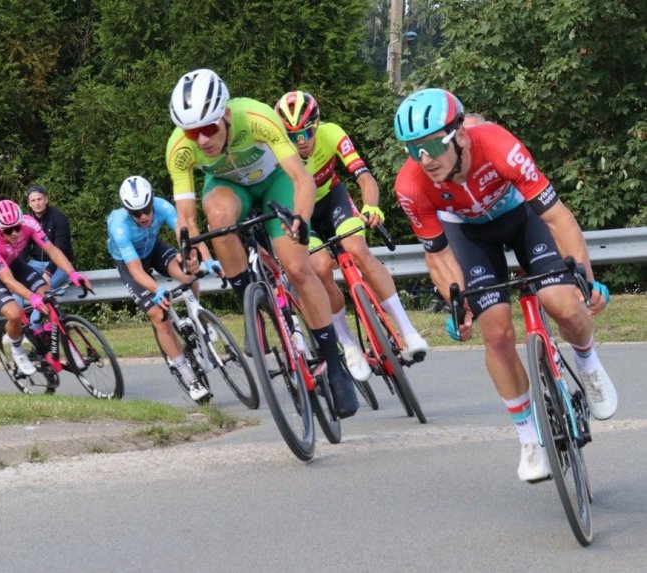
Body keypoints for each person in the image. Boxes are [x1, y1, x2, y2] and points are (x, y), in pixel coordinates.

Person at [392, 87, 617, 482]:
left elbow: (557, 218)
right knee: (494, 330)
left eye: (430, 145)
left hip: (521, 219)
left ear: (459, 135)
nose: (423, 159)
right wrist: (457, 304)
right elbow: (440, 256)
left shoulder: (499, 146)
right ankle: (529, 438)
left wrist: (584, 277)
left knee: (562, 303)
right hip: (469, 238)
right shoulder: (411, 186)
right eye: (413, 149)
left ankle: (588, 362)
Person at [166, 69, 358, 417]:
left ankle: (335, 365)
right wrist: (190, 250)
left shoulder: (255, 117)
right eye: (193, 132)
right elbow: (186, 215)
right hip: (230, 190)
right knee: (218, 217)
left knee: (299, 267)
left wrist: (299, 219)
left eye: (209, 128)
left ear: (225, 114)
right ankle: (250, 306)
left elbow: (302, 178)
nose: (203, 140)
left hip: (276, 183)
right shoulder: (180, 148)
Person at [274, 91, 429, 380]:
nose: (302, 141)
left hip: (334, 200)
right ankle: (348, 345)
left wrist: (371, 206)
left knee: (356, 248)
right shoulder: (278, 154)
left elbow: (364, 176)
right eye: (293, 136)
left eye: (307, 132)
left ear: (317, 126)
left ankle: (408, 331)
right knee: (320, 268)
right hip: (303, 213)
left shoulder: (332, 133)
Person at [106, 176, 209, 403]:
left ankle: (195, 318)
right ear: (127, 210)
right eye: (136, 213)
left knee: (188, 276)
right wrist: (157, 289)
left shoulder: (162, 206)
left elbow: (185, 237)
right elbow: (136, 271)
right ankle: (188, 376)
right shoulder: (119, 227)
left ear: (152, 201)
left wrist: (194, 257)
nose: (143, 216)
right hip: (130, 262)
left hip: (153, 249)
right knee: (159, 315)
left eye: (146, 209)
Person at [0, 199, 90, 376]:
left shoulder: (29, 223)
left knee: (48, 298)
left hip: (13, 262)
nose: (15, 233)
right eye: (8, 230)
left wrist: (73, 274)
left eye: (17, 227)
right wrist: (31, 297)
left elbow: (53, 251)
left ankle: (66, 344)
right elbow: (8, 281)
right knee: (14, 314)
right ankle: (17, 350)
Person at [24, 184, 75, 290]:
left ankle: (46, 303)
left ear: (46, 199)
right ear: (29, 203)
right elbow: (24, 249)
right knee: (19, 285)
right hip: (36, 264)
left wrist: (48, 272)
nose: (37, 203)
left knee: (44, 289)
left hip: (60, 264)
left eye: (39, 199)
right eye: (33, 201)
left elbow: (60, 250)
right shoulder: (28, 222)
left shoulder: (59, 218)